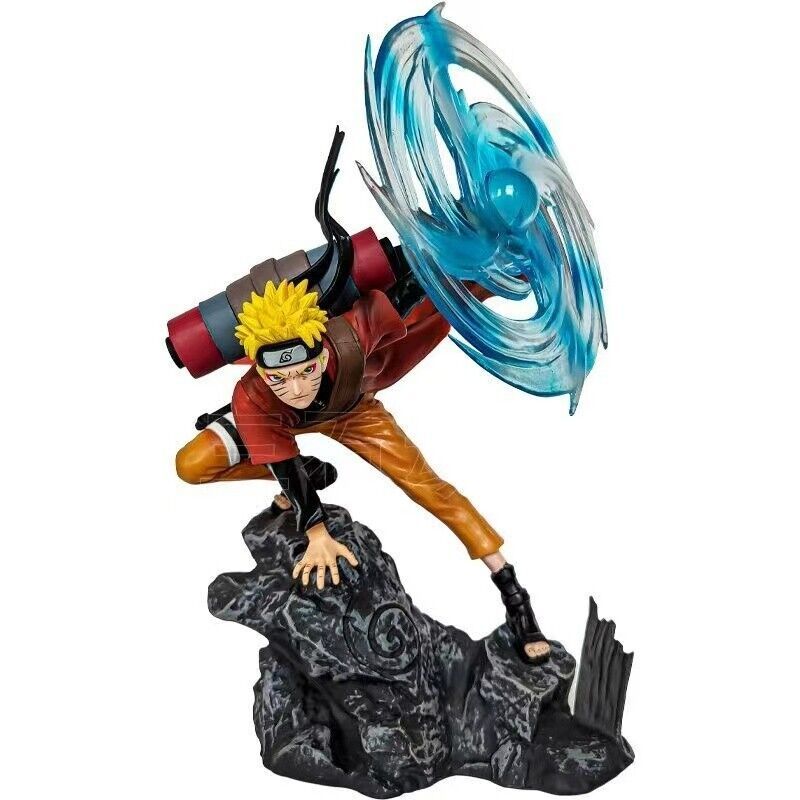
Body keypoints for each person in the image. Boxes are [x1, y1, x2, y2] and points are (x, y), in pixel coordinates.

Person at [176, 276, 551, 665]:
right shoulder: (253, 395)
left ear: (322, 358)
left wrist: (485, 276)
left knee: (428, 487)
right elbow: (282, 464)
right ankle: (311, 471)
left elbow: (413, 292)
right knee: (192, 464)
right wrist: (316, 532)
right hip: (280, 423)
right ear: (259, 368)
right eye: (279, 378)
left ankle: (513, 593)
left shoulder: (351, 333)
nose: (296, 388)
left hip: (354, 411)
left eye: (305, 371)